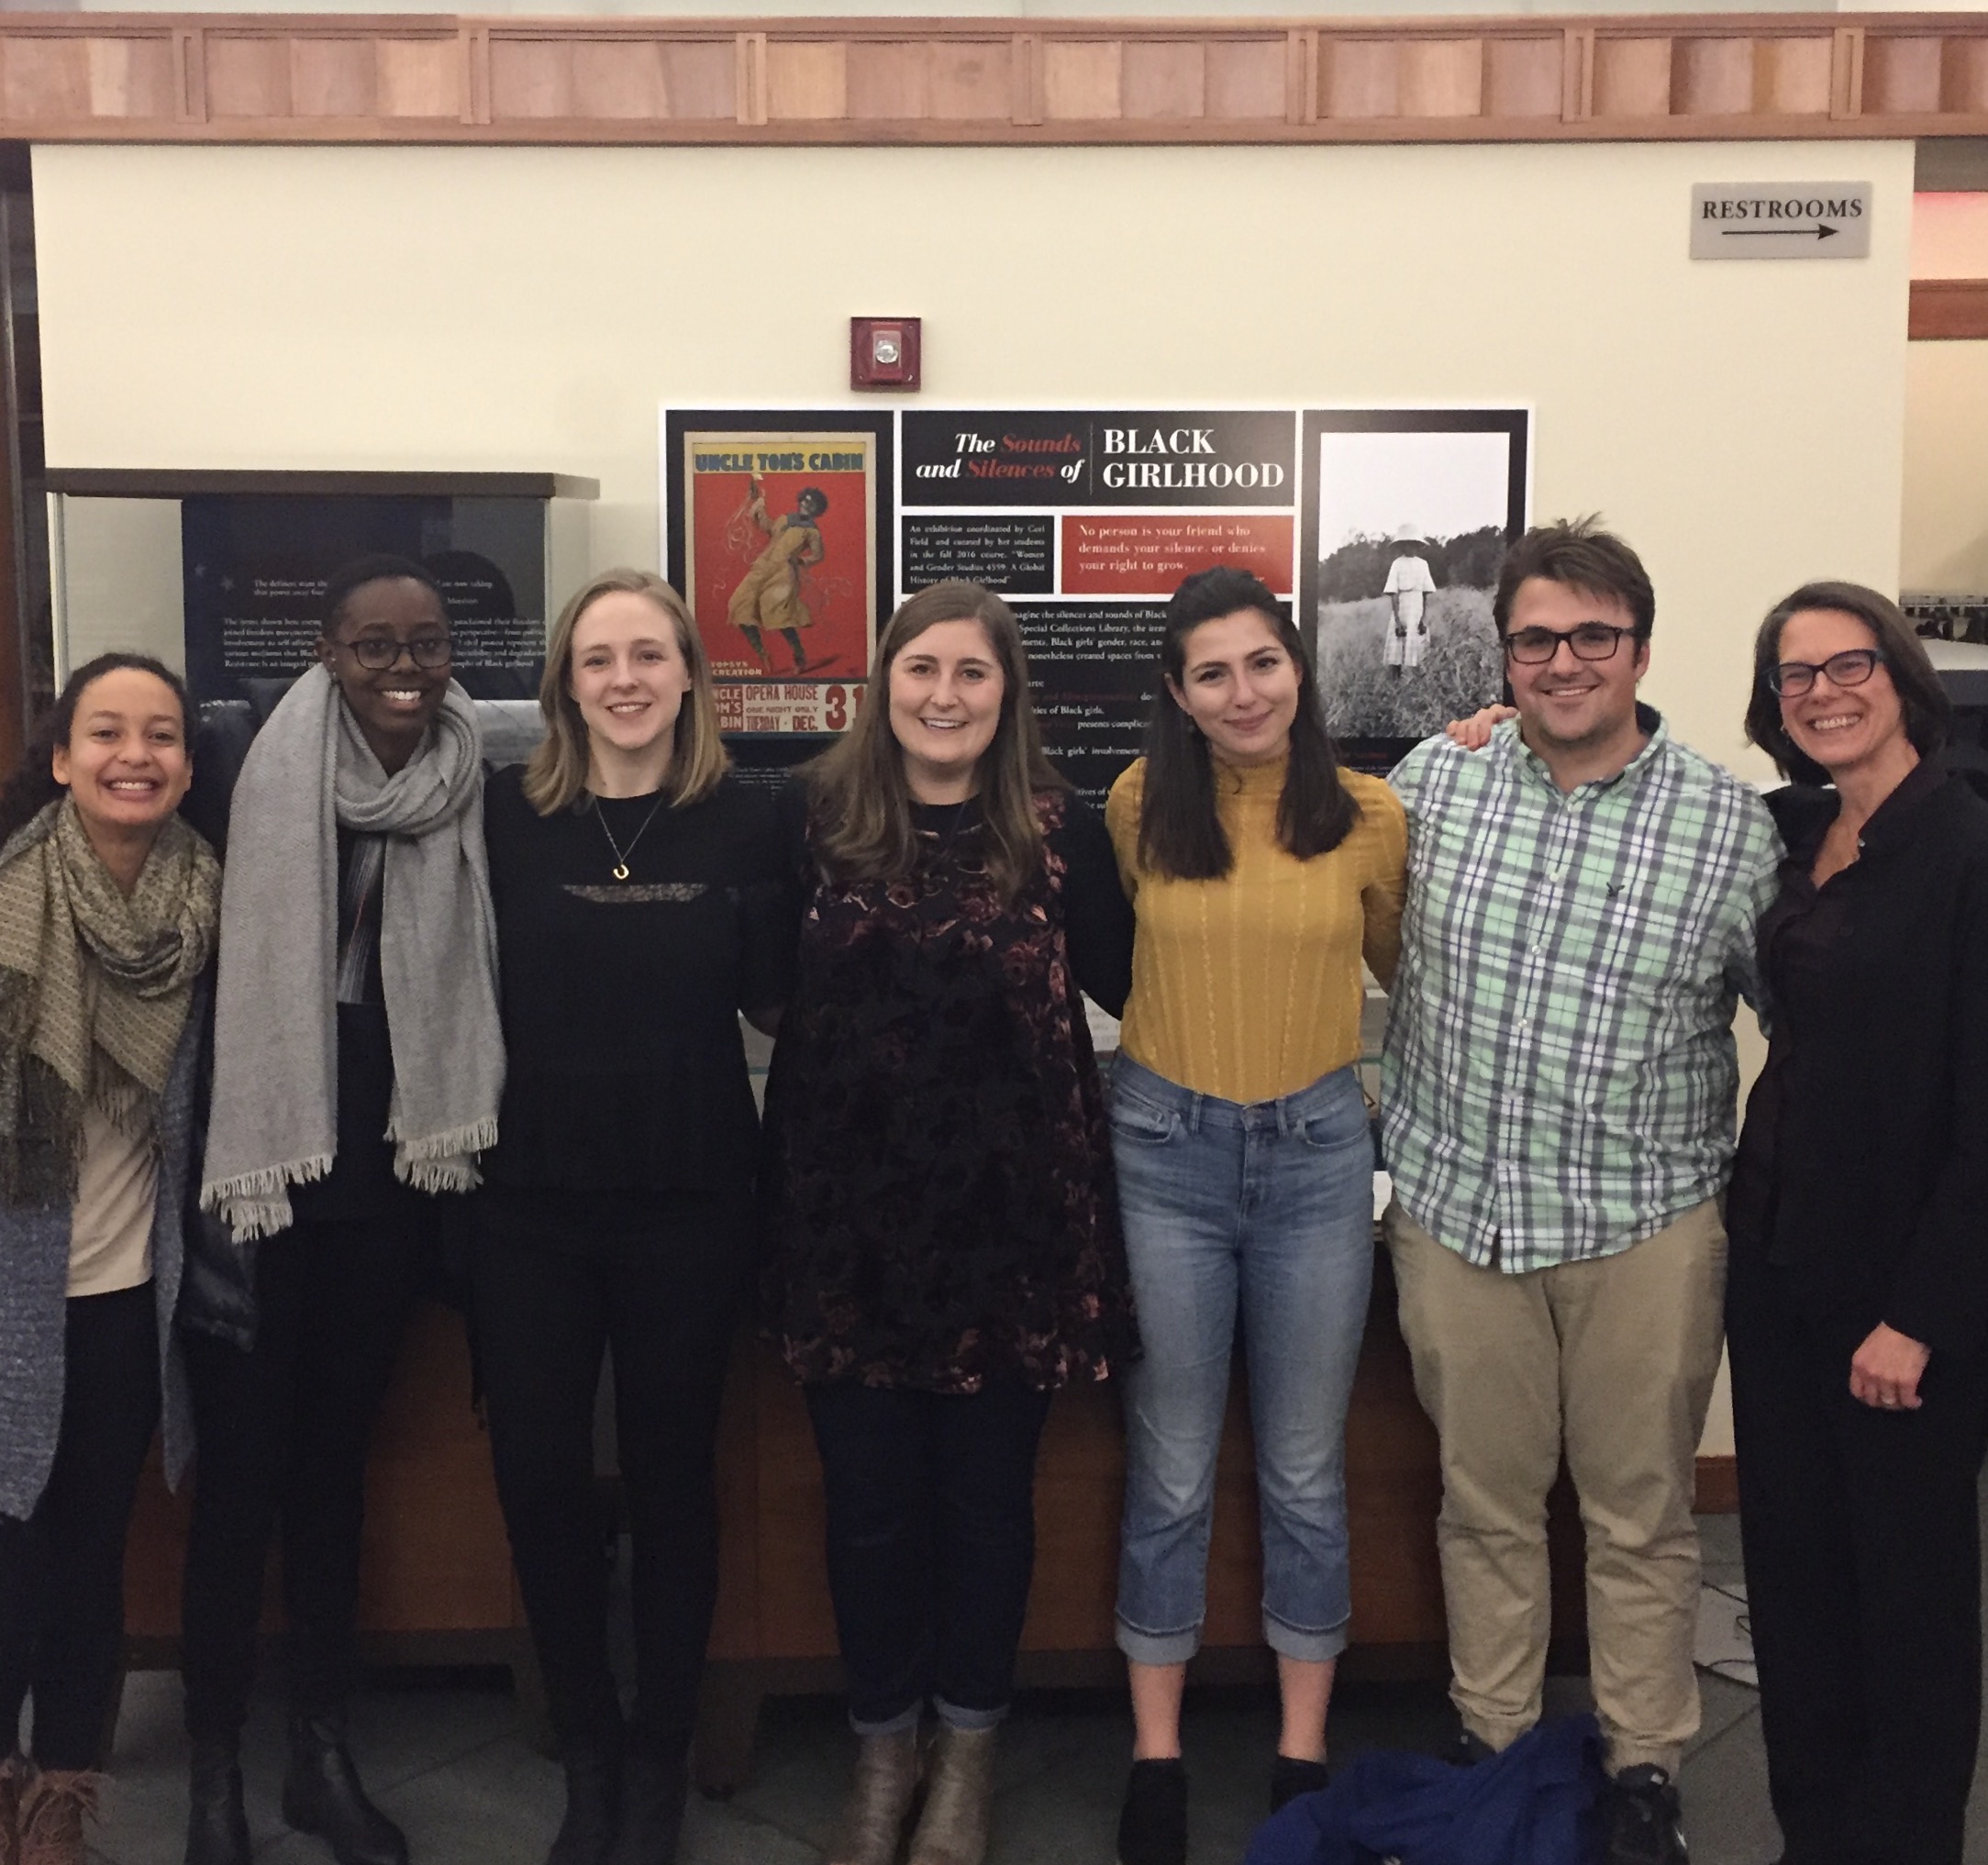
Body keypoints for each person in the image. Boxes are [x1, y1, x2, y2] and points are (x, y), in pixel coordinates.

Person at [1380, 518, 1780, 1864]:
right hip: (1455, 1215)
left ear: (1639, 650)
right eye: (1535, 639)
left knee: (1638, 1510)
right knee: (1479, 1503)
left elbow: (1807, 1021)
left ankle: (1643, 1762)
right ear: (1500, 658)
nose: (1562, 662)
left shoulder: (1726, 828)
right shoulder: (1435, 779)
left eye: (1590, 637)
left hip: (1641, 1225)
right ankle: (1491, 1740)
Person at [761, 580, 1135, 1865]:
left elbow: (1140, 978)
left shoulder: (1054, 826)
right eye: (920, 668)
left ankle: (967, 1747)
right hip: (844, 1232)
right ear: (883, 679)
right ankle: (883, 1747)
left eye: (970, 674)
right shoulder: (809, 818)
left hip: (1012, 1233)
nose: (941, 694)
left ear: (1005, 693)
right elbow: (757, 993)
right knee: (865, 1505)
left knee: (985, 1507)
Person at [180, 555, 503, 1865]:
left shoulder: (470, 775)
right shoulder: (241, 773)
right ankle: (213, 1780)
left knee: (329, 1480)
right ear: (324, 649)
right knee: (238, 1484)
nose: (404, 668)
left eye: (424, 644)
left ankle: (319, 1753)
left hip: (383, 1181)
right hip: (253, 1184)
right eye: (374, 644)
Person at [471, 569, 793, 1865]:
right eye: (596, 658)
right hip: (526, 1204)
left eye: (647, 655)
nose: (622, 678)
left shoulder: (750, 822)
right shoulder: (500, 817)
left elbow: (784, 1004)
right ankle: (586, 1748)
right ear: (562, 684)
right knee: (539, 1478)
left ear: (688, 675)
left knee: (672, 1482)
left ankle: (660, 1749)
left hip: (692, 1195)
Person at [1105, 566, 1405, 1865]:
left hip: (1315, 1158)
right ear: (1176, 693)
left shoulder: (1369, 813)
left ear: (1298, 668)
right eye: (1210, 672)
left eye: (1262, 663)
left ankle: (1298, 1749)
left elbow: (1399, 967)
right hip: (1161, 1152)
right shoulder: (1133, 804)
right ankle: (1155, 1754)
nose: (1242, 692)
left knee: (1301, 1467)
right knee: (1167, 1466)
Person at [1724, 583, 1988, 1865]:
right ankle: (1811, 1836)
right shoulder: (1801, 830)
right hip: (1776, 1273)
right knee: (1794, 1588)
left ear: (1899, 675)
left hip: (1897, 1303)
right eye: (1792, 676)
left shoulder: (1964, 848)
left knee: (1909, 1606)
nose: (1821, 692)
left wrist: (1920, 1316)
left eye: (1846, 665)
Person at [0, 655, 221, 1865]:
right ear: (62, 756)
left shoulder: (208, 907)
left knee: (90, 1550)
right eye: (107, 732)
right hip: (8, 1292)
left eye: (161, 735)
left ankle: (61, 1792)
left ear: (188, 763)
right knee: (6, 1549)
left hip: (130, 1293)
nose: (135, 754)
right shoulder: (9, 896)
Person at [727, 478, 827, 674]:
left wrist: (801, 561)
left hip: (784, 574)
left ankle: (799, 654)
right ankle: (762, 653)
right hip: (762, 568)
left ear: (817, 509)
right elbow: (768, 527)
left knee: (780, 616)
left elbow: (818, 555)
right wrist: (759, 504)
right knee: (740, 606)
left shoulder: (812, 531)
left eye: (812, 503)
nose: (807, 505)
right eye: (805, 500)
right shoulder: (784, 519)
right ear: (801, 501)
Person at [1382, 544, 1437, 677]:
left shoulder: (1423, 564)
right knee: (1397, 646)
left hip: (1417, 607)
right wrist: (1397, 620)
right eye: (1407, 543)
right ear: (1402, 546)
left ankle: (1416, 681)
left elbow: (1424, 594)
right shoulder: (1397, 563)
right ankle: (1395, 681)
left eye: (1414, 544)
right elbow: (1393, 593)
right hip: (1403, 606)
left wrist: (1423, 619)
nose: (1411, 548)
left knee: (1418, 644)